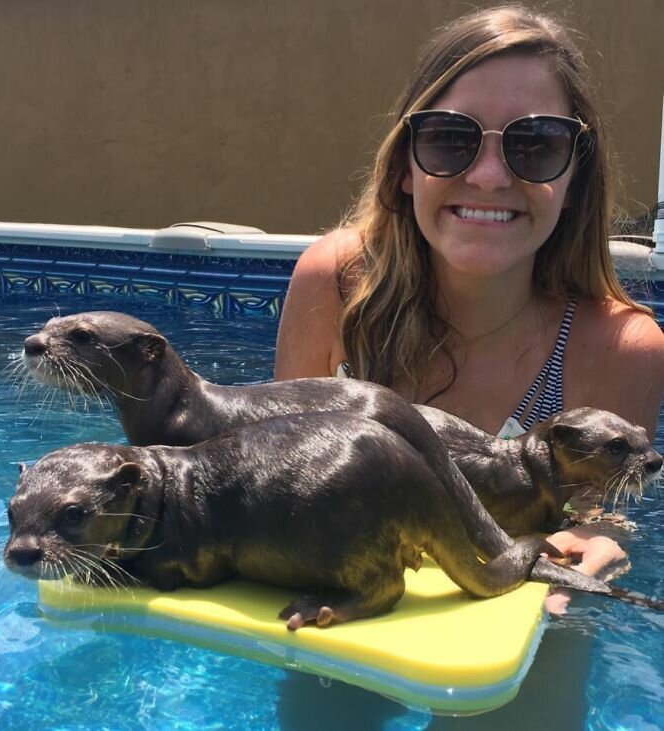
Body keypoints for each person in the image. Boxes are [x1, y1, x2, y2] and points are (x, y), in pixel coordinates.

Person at [273, 4, 664, 611]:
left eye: (534, 145)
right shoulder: (335, 285)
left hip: (511, 624)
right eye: (449, 138)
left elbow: (599, 515)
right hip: (334, 604)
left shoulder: (620, 348)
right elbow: (275, 471)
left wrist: (600, 537)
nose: (486, 176)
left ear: (574, 179)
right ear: (406, 166)